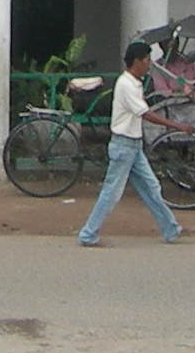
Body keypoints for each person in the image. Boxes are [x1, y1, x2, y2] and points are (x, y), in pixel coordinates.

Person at [76, 39, 187, 246]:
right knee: (112, 193)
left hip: (133, 145)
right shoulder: (126, 84)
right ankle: (88, 233)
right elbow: (145, 113)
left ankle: (170, 228)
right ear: (137, 61)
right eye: (147, 60)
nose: (149, 64)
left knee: (151, 187)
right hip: (124, 145)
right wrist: (177, 126)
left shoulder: (134, 83)